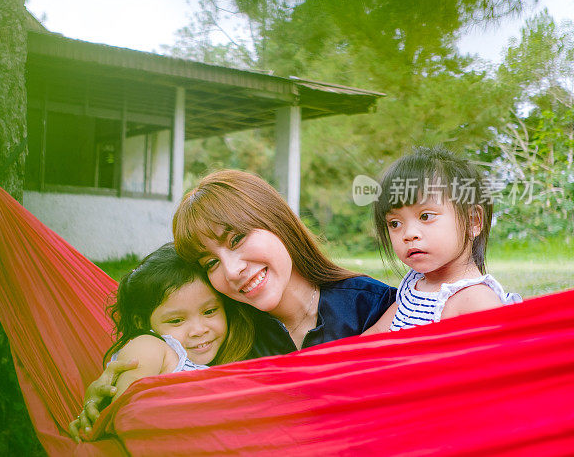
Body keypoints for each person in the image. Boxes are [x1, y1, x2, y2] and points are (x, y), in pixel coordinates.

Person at [71, 170, 396, 436]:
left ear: (277, 221)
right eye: (210, 262)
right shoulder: (229, 329)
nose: (232, 270)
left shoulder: (373, 307)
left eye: (237, 239)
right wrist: (106, 396)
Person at [68, 242, 254, 441]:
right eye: (176, 320)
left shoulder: (220, 356)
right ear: (142, 323)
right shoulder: (149, 346)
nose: (199, 330)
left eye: (209, 311)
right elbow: (126, 414)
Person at [364, 146, 521, 334]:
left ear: (473, 221)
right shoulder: (413, 287)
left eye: (425, 216)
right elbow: (375, 336)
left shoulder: (476, 300)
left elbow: (496, 359)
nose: (408, 234)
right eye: (395, 223)